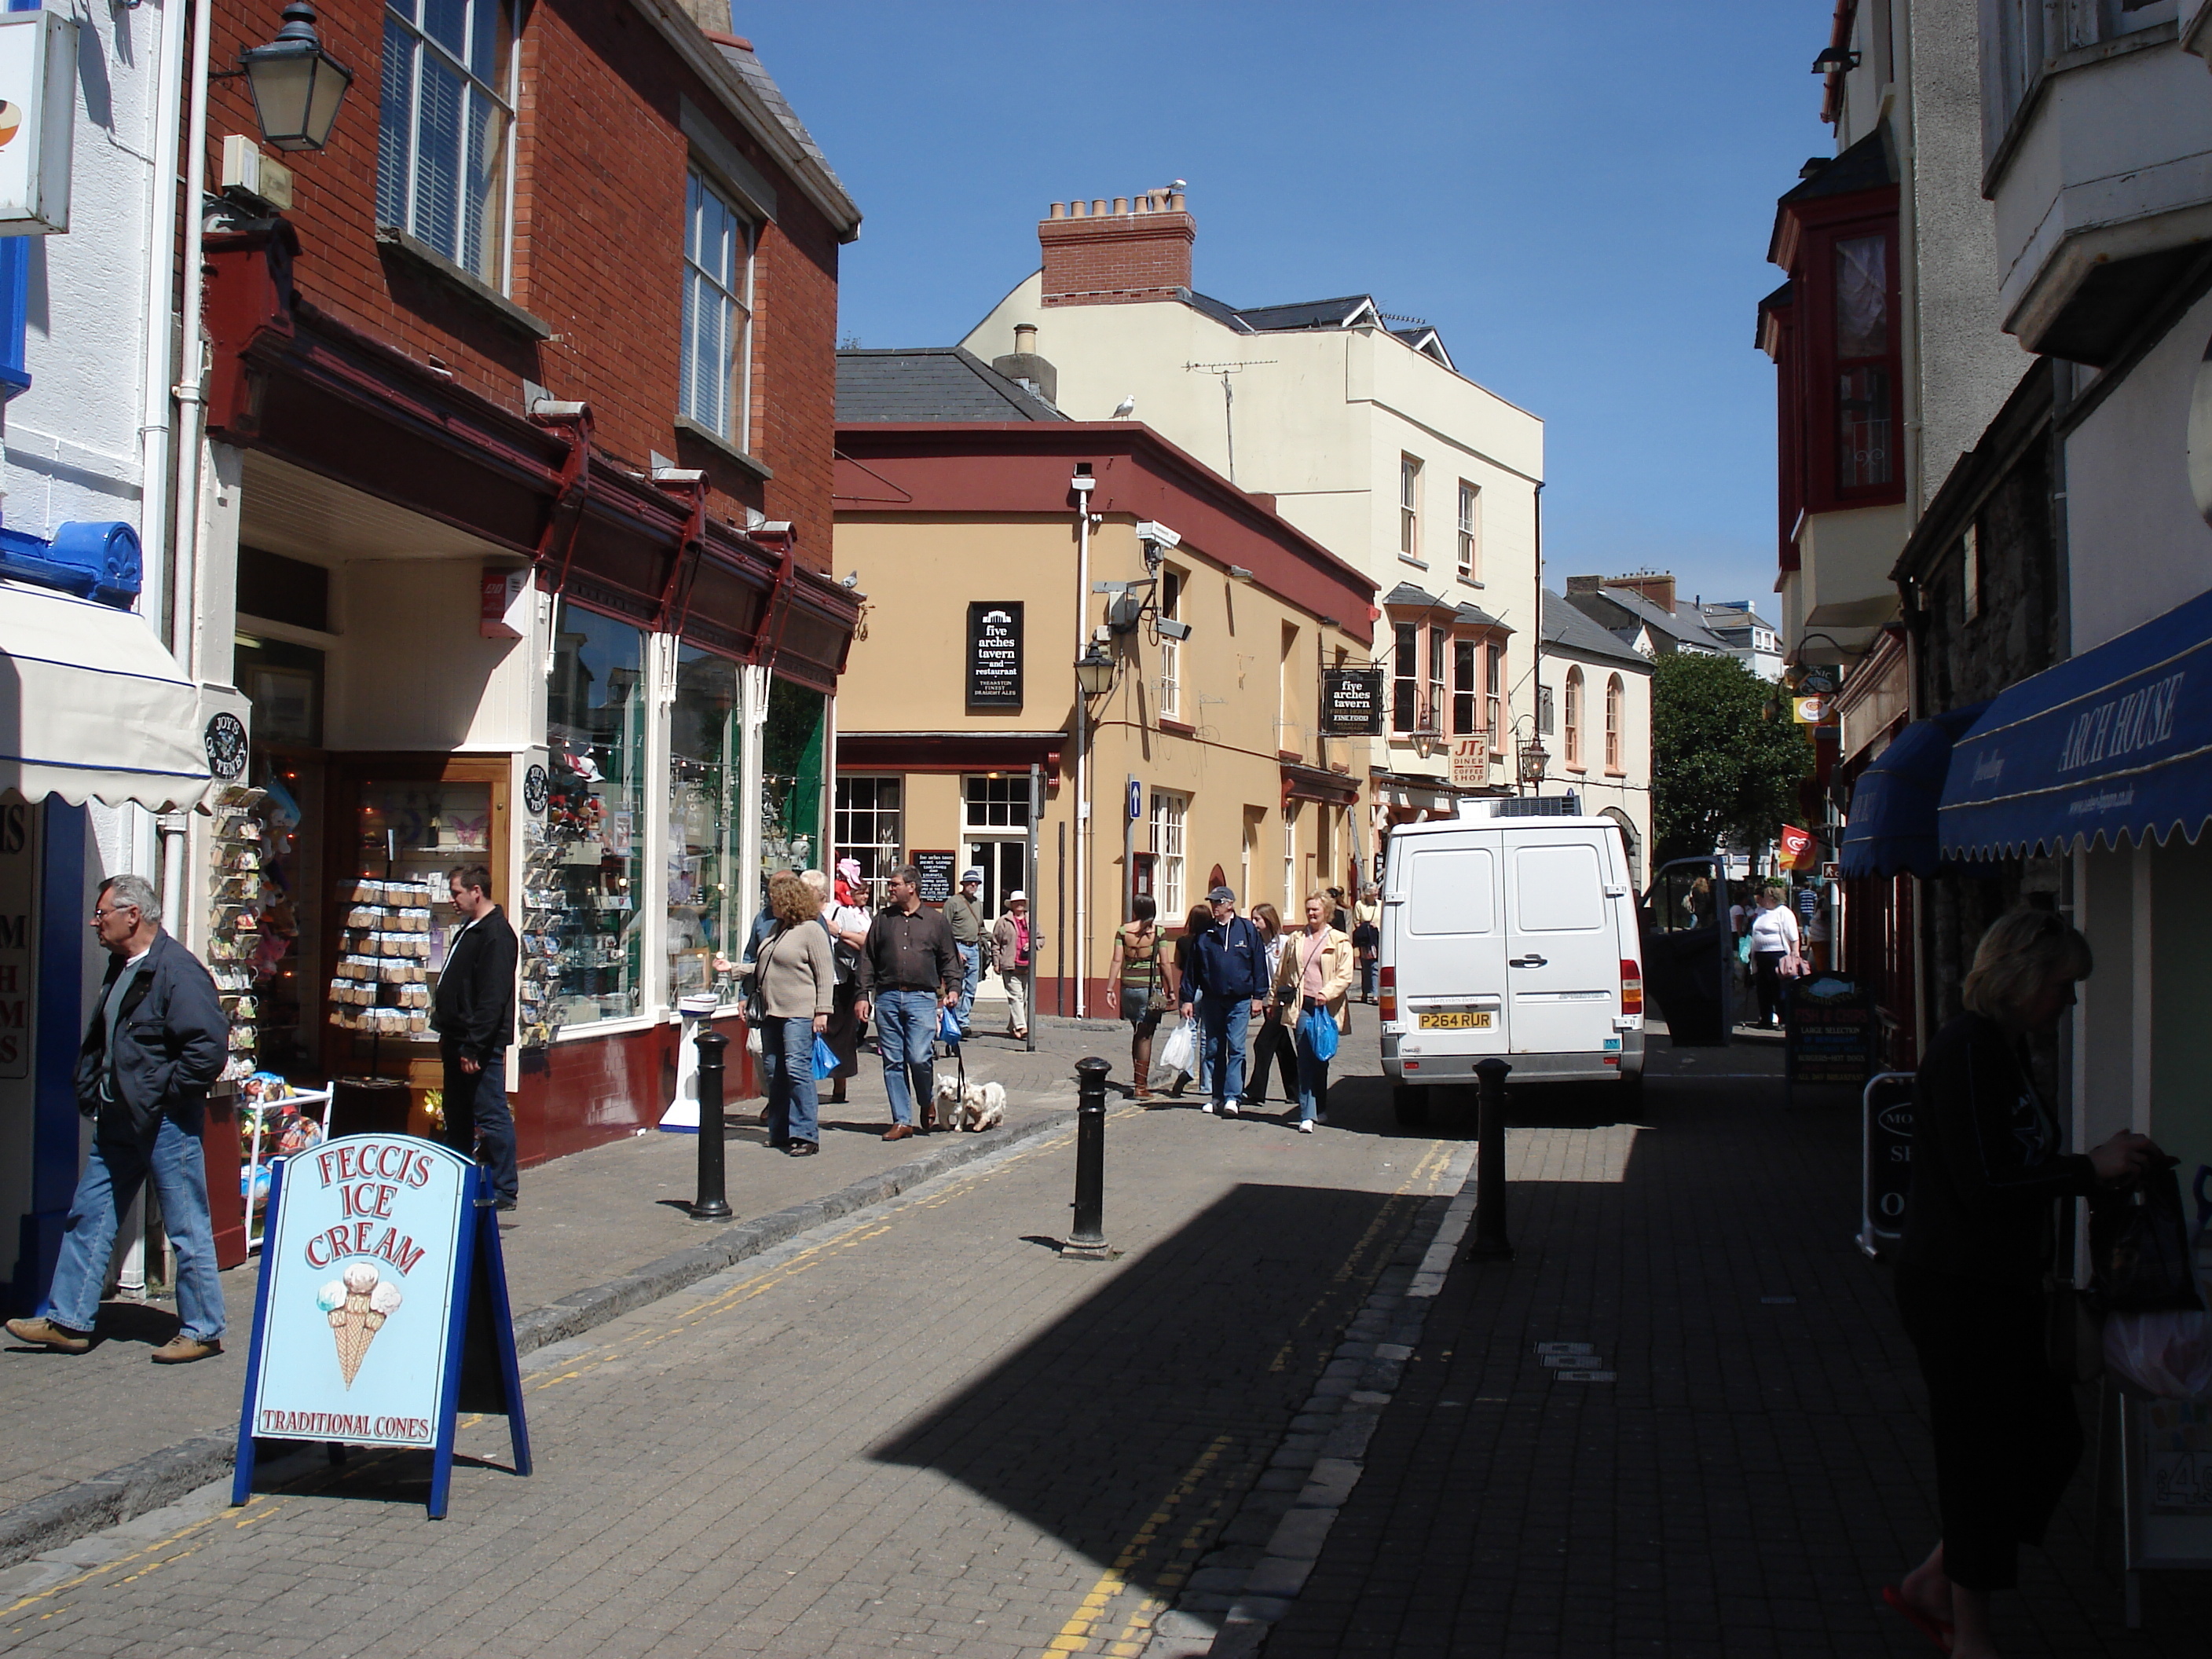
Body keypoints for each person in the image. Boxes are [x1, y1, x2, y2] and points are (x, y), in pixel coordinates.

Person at [1886, 909, 2161, 1659]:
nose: (2069, 1005)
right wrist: (2087, 1170)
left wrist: (2102, 1172)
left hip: (2000, 1285)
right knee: (1982, 1456)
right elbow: (1986, 1184)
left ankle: (1939, 1579)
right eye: (2063, 987)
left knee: (2046, 1440)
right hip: (1957, 1286)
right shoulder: (1968, 1050)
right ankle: (1970, 1633)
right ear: (2021, 979)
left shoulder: (2003, 1050)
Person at [6, 875, 229, 1362]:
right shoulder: (122, 966)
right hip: (118, 1118)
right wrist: (93, 1086)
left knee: (186, 1226)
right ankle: (69, 1321)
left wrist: (166, 1098)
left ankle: (203, 1329)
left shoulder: (177, 971)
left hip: (164, 1121)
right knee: (89, 1215)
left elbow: (207, 1049)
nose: (94, 921)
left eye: (102, 912)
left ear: (134, 915)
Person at [432, 863, 520, 1211]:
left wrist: (475, 1045)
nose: (452, 900)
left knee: (490, 1112)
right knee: (457, 1113)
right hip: (455, 1036)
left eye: (456, 892)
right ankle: (459, 1177)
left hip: (477, 1042)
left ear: (476, 892)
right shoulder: (469, 929)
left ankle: (504, 1188)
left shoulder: (496, 935)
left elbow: (492, 997)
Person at [855, 864, 961, 1141]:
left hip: (921, 998)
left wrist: (953, 988)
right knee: (892, 1060)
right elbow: (867, 958)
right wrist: (862, 995)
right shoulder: (883, 920)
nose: (890, 889)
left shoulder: (935, 922)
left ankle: (926, 1099)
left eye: (895, 884)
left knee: (918, 1056)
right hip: (887, 996)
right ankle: (902, 1120)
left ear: (911, 887)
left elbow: (949, 958)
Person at [745, 872, 834, 1156]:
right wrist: (734, 971)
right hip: (772, 1011)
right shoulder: (776, 929)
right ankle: (780, 1130)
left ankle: (806, 1134)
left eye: (775, 900)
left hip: (800, 1011)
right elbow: (760, 963)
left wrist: (823, 1011)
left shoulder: (811, 930)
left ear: (789, 900)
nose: (771, 904)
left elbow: (824, 974)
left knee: (797, 1069)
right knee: (774, 1071)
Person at [1180, 884, 1268, 1117]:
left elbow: (1259, 963)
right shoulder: (1204, 932)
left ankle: (1233, 1097)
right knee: (1213, 1047)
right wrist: (1187, 999)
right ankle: (1216, 1096)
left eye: (1218, 903)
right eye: (1212, 902)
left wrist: (1259, 996)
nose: (1214, 907)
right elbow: (1193, 968)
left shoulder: (1247, 930)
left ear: (1230, 904)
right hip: (1212, 998)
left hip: (1239, 1000)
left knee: (1236, 1047)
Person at [1273, 893, 1355, 1133]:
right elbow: (1282, 973)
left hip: (1327, 1008)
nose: (1311, 914)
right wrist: (1272, 999)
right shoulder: (1296, 939)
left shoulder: (1339, 941)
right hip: (1303, 1007)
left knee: (1321, 1059)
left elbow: (1345, 975)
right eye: (1308, 909)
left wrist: (1327, 993)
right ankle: (1307, 1114)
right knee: (1306, 1061)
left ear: (1326, 912)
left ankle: (1320, 1107)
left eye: (1315, 910)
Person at [801, 869, 869, 1106]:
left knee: (840, 1037)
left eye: (808, 891)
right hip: (807, 985)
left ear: (820, 893)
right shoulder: (799, 914)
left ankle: (840, 1085)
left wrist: (838, 931)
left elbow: (864, 942)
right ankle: (804, 1086)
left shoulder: (839, 912)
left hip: (839, 983)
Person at [1108, 894, 1171, 1100]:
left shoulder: (1123, 931)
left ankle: (1138, 1079)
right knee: (1146, 1035)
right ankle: (1141, 1086)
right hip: (1149, 988)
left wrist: (1110, 988)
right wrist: (1170, 988)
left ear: (1135, 910)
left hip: (1129, 987)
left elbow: (1117, 961)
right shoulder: (1158, 932)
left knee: (1137, 1031)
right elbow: (1164, 963)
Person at [1241, 903, 1298, 1108]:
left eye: (1258, 919)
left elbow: (1289, 974)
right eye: (1252, 919)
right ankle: (1296, 1091)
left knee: (1262, 1044)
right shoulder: (1257, 945)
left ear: (1269, 920)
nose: (1254, 923)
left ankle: (1256, 1091)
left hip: (1282, 1001)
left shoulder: (1283, 943)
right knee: (1283, 1048)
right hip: (1268, 1002)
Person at [1166, 903, 1214, 1099]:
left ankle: (1186, 1070)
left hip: (1190, 990)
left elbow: (1178, 964)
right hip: (1209, 989)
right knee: (1207, 1035)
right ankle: (1207, 1083)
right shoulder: (1212, 941)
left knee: (1189, 1032)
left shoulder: (1183, 942)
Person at [943, 868, 988, 1038]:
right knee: (957, 986)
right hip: (959, 946)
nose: (973, 885)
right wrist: (954, 951)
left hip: (974, 947)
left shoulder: (977, 903)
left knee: (971, 987)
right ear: (963, 884)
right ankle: (953, 1022)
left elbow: (981, 927)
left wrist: (995, 938)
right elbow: (945, 930)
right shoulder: (953, 902)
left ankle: (964, 1022)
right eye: (970, 882)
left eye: (976, 883)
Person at [1746, 885, 1799, 1029]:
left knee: (1779, 988)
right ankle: (1766, 1018)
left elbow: (1793, 936)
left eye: (1763, 896)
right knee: (1762, 989)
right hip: (1761, 956)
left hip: (1778, 955)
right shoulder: (1761, 912)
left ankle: (1784, 1020)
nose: (1761, 899)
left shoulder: (1783, 912)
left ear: (1772, 898)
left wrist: (1795, 953)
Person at [991, 892, 1034, 1041]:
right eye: (1016, 902)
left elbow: (1041, 938)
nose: (1019, 905)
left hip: (1028, 965)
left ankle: (1012, 1027)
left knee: (1024, 999)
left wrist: (1033, 944)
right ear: (1012, 905)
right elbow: (995, 943)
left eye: (1021, 902)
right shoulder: (1003, 921)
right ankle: (1022, 1027)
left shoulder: (1032, 920)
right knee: (1016, 997)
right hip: (1010, 964)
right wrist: (996, 962)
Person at [1351, 884, 1381, 1003]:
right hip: (1365, 940)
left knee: (1375, 966)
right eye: (1374, 891)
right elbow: (1356, 921)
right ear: (1368, 893)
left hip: (1377, 938)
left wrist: (1376, 927)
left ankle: (1375, 994)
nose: (1376, 893)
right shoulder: (1359, 905)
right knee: (1366, 967)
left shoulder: (1381, 904)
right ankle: (1365, 992)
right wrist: (1366, 927)